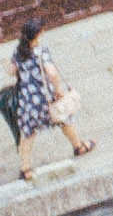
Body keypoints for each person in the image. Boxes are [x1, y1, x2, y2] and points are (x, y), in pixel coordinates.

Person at [7, 20, 92, 177]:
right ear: (38, 34)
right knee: (64, 119)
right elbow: (51, 73)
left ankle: (25, 169)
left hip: (28, 101)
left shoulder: (18, 52)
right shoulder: (41, 51)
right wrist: (58, 90)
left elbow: (11, 71)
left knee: (28, 133)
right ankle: (78, 147)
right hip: (46, 98)